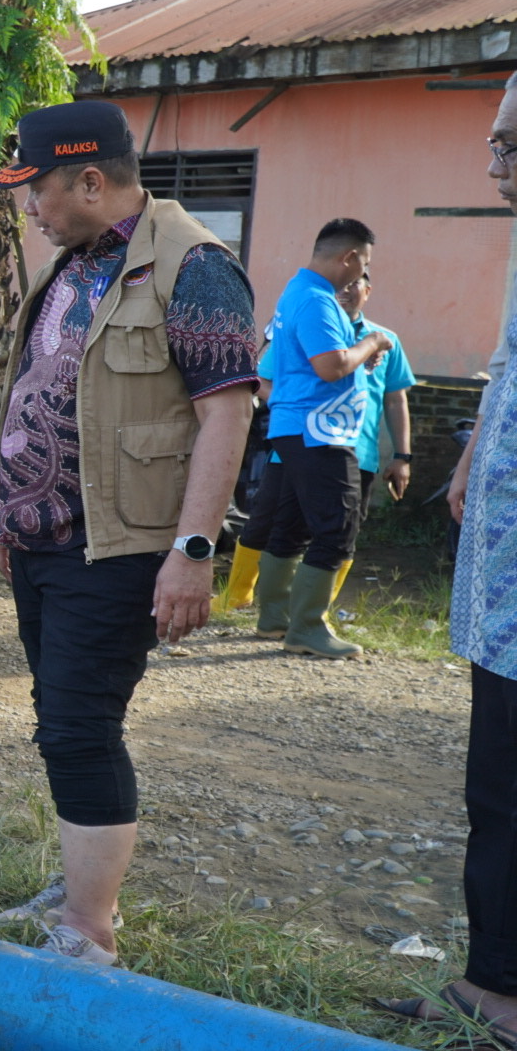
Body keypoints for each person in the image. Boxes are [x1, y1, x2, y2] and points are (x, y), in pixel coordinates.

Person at [0, 101, 257, 965]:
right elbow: (41, 385)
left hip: (122, 548)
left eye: (36, 190)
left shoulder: (196, 268)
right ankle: (77, 889)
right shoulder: (76, 263)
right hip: (46, 543)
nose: (29, 208)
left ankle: (88, 931)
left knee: (80, 724)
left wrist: (194, 550)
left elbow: (227, 418)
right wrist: (11, 516)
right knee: (57, 714)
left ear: (90, 180)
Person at [379, 69, 517, 1049]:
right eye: (495, 141)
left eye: (512, 143)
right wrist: (469, 451)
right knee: (498, 785)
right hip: (504, 584)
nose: (493, 159)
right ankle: (494, 983)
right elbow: (509, 362)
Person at [218, 272, 414, 615]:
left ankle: (311, 614)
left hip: (358, 453)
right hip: (297, 447)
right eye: (341, 283)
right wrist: (296, 408)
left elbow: (395, 400)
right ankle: (242, 600)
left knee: (341, 531)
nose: (347, 290)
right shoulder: (301, 329)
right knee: (269, 522)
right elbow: (260, 381)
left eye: (357, 283)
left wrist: (402, 455)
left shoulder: (385, 340)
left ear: (369, 291)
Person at [250, 220, 391, 659]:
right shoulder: (314, 300)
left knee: (290, 525)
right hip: (320, 430)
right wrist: (372, 342)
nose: (360, 274)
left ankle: (275, 618)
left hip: (298, 427)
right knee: (337, 527)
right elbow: (331, 366)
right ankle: (307, 627)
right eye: (363, 263)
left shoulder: (299, 292)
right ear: (349, 257)